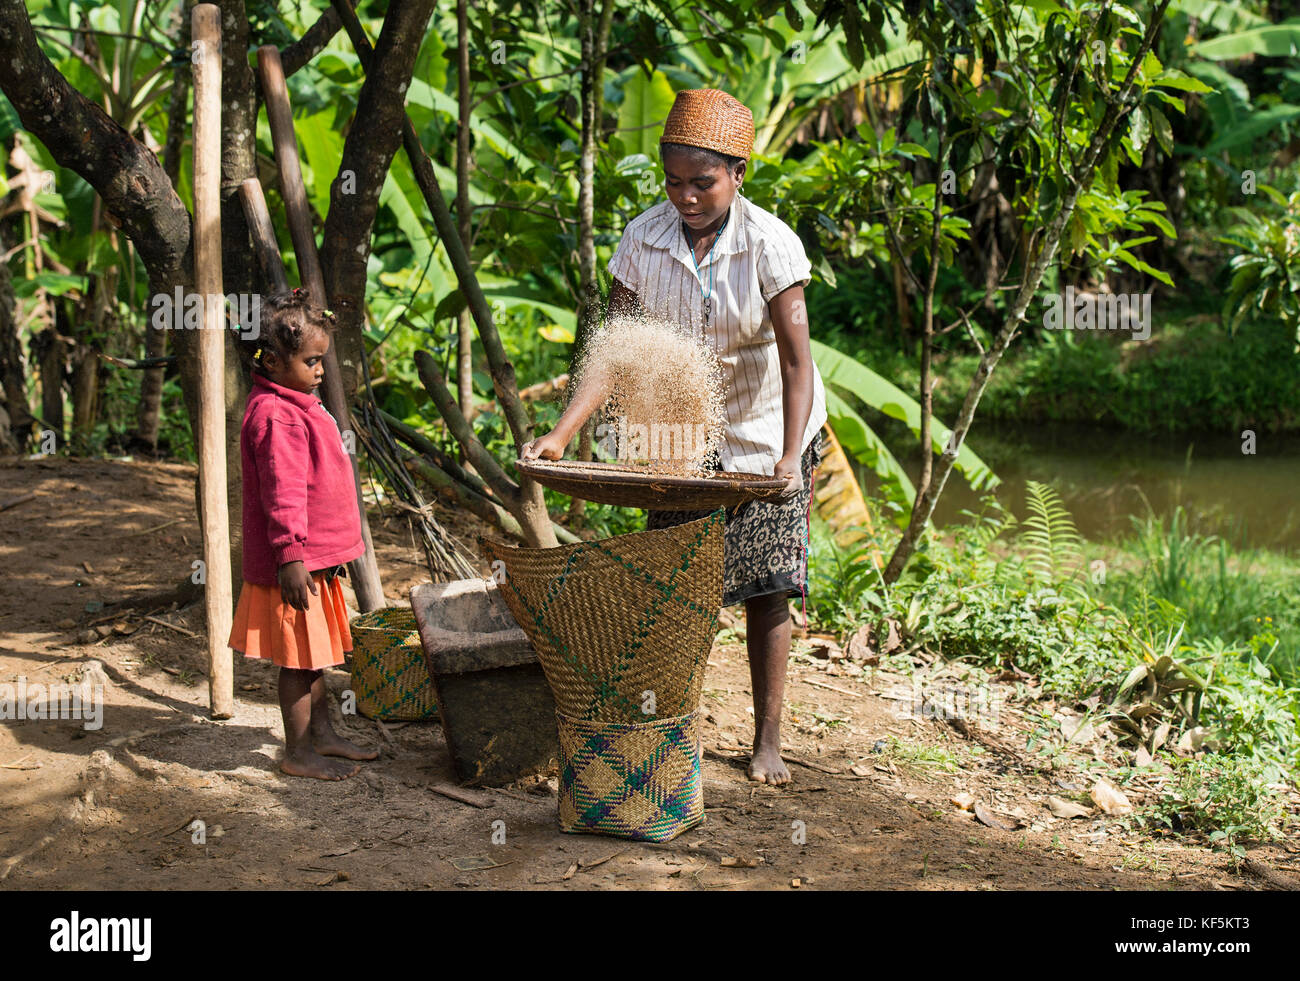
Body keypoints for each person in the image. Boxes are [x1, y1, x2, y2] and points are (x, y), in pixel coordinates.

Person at [522, 88, 827, 785]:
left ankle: (767, 740)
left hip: (763, 429)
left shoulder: (771, 245)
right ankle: (671, 719)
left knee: (766, 587)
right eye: (674, 182)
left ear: (739, 173)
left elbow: (795, 360)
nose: (685, 197)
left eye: (703, 182)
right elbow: (616, 353)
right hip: (679, 437)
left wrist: (785, 458)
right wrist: (563, 433)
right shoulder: (643, 238)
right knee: (674, 583)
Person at [228, 288, 378, 780]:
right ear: (271, 361)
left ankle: (323, 735)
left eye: (322, 361)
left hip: (315, 558)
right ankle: (297, 752)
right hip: (296, 562)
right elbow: (282, 494)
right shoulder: (276, 415)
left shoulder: (296, 402)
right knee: (297, 662)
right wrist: (291, 556)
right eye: (312, 361)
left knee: (316, 656)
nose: (320, 371)